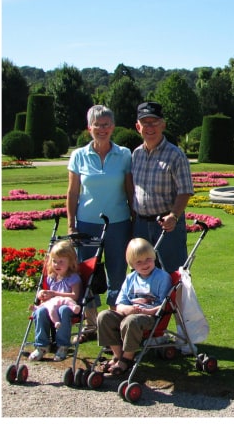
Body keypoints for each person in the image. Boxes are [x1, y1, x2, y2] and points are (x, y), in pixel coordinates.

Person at [66, 105, 133, 342]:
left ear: (113, 127)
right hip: (87, 224)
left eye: (106, 124)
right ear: (89, 128)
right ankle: (92, 324)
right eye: (97, 125)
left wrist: (134, 221)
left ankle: (113, 324)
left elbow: (130, 190)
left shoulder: (124, 154)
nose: (102, 129)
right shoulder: (78, 155)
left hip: (118, 223)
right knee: (88, 274)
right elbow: (73, 193)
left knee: (118, 273)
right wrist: (71, 224)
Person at [132, 101, 194, 273]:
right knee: (142, 275)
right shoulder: (136, 155)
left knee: (174, 273)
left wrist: (173, 216)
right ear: (138, 127)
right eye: (145, 123)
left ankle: (178, 301)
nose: (149, 127)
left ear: (163, 125)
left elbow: (185, 190)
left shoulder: (175, 155)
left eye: (154, 122)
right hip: (141, 225)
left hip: (167, 224)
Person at [96, 238, 172, 376]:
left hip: (150, 315)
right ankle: (118, 355)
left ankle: (128, 358)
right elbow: (120, 304)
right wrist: (127, 310)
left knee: (130, 321)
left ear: (154, 257)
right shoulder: (131, 278)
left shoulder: (162, 277)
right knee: (103, 316)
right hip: (131, 312)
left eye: (148, 259)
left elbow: (164, 305)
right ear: (132, 264)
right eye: (139, 262)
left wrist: (146, 311)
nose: (145, 264)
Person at [29, 240, 82, 362]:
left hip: (68, 306)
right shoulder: (52, 277)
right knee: (40, 311)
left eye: (61, 262)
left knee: (63, 309)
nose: (57, 265)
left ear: (70, 262)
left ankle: (63, 345)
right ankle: (42, 345)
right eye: (54, 261)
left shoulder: (73, 277)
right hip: (51, 308)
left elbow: (75, 295)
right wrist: (43, 294)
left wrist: (54, 294)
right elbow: (48, 296)